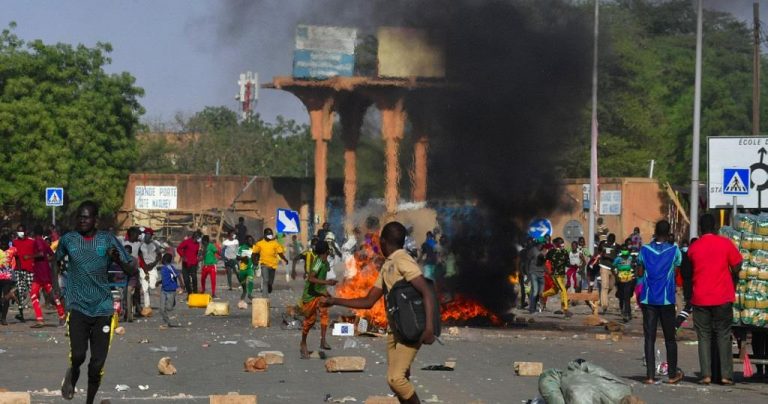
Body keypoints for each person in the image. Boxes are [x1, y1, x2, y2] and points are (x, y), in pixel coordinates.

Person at [321, 221, 435, 403]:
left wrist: (429, 327)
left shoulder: (402, 259)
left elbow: (426, 291)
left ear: (383, 241)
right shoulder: (388, 264)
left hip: (411, 328)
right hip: (395, 330)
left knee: (395, 379)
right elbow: (368, 301)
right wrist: (334, 300)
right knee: (398, 378)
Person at [57, 201, 135, 404]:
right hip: (77, 306)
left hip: (103, 308)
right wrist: (57, 291)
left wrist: (117, 260)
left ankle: (89, 401)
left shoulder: (107, 240)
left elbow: (131, 271)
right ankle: (72, 373)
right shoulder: (69, 240)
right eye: (79, 217)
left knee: (97, 364)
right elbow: (54, 261)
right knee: (79, 355)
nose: (82, 220)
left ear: (95, 220)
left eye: (86, 217)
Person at [686, 213, 742, 385]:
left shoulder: (694, 248)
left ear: (701, 229)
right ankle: (726, 375)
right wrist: (733, 276)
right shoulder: (725, 243)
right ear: (716, 227)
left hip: (701, 298)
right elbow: (738, 263)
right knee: (723, 335)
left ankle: (706, 375)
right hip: (723, 297)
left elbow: (688, 273)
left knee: (703, 336)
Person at [636, 220, 683, 385]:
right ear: (669, 232)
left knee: (649, 338)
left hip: (649, 299)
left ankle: (649, 375)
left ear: (655, 232)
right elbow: (676, 270)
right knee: (670, 338)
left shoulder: (644, 250)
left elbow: (640, 271)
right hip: (666, 299)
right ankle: (672, 374)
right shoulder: (674, 250)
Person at [300, 239, 337, 358]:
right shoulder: (318, 262)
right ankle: (303, 343)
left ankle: (323, 340)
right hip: (310, 295)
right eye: (327, 252)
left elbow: (321, 280)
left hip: (319, 293)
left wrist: (325, 292)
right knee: (310, 321)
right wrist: (327, 282)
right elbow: (311, 279)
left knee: (325, 313)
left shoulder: (325, 262)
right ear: (325, 251)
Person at [30, 225, 66, 328]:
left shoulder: (37, 241)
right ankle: (62, 315)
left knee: (33, 295)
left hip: (39, 275)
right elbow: (52, 255)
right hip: (45, 273)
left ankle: (40, 319)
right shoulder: (45, 242)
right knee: (53, 296)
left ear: (34, 233)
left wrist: (29, 256)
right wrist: (46, 262)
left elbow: (41, 253)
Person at [252, 228, 289, 298]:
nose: (270, 235)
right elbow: (254, 254)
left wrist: (285, 259)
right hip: (264, 264)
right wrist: (254, 262)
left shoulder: (275, 243)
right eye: (268, 234)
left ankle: (270, 286)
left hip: (273, 266)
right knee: (265, 280)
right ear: (265, 235)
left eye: (271, 234)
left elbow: (280, 253)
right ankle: (264, 298)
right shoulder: (259, 244)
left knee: (270, 282)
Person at [542, 237, 572, 317]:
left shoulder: (565, 252)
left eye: (563, 242)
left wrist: (575, 265)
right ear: (555, 244)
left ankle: (542, 295)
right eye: (560, 242)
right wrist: (547, 270)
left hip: (562, 275)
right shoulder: (551, 252)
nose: (562, 244)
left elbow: (568, 263)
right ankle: (565, 309)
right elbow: (543, 261)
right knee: (563, 289)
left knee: (555, 290)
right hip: (555, 274)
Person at [13, 224, 35, 322]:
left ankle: (38, 313)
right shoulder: (14, 242)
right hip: (19, 270)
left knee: (33, 291)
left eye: (21, 231)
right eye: (18, 231)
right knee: (20, 292)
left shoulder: (32, 242)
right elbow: (15, 256)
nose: (20, 233)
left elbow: (36, 253)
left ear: (26, 231)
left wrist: (31, 258)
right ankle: (20, 313)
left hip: (30, 270)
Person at [138, 228, 162, 313]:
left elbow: (159, 256)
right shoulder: (140, 245)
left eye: (149, 234)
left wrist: (154, 263)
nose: (147, 236)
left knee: (152, 286)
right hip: (143, 268)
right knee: (145, 288)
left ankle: (157, 283)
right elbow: (140, 256)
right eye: (146, 234)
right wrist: (144, 265)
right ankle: (147, 306)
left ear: (151, 236)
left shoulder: (155, 245)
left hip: (153, 267)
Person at [157, 253, 183, 328]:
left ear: (165, 260)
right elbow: (166, 279)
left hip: (171, 290)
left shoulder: (170, 268)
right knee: (161, 309)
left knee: (169, 308)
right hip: (163, 290)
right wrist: (159, 282)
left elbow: (178, 275)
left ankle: (173, 301)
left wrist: (182, 285)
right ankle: (166, 322)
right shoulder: (163, 268)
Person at [612, 247, 636, 323]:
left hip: (629, 278)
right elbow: (613, 267)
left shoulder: (630, 257)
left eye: (626, 249)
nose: (625, 251)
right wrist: (616, 276)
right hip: (620, 279)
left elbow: (634, 266)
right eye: (624, 249)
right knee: (621, 296)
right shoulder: (618, 259)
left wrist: (634, 274)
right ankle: (623, 310)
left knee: (627, 296)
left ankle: (627, 313)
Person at [0, 234, 20, 325]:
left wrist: (18, 271)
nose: (3, 246)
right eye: (2, 243)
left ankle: (3, 318)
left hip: (8, 278)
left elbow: (18, 259)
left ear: (8, 243)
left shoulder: (13, 250)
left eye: (5, 244)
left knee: (6, 298)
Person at [598, 233, 619, 314]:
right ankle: (604, 306)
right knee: (605, 287)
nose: (609, 242)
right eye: (608, 240)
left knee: (611, 286)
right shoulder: (604, 244)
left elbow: (618, 256)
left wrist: (611, 257)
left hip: (613, 268)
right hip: (604, 267)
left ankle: (602, 298)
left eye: (611, 240)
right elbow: (600, 252)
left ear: (614, 240)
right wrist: (603, 254)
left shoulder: (617, 246)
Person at [177, 231, 201, 295]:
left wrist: (197, 261)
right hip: (185, 263)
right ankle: (189, 293)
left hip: (193, 264)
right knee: (186, 279)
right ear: (195, 237)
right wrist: (183, 256)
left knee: (194, 278)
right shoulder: (187, 242)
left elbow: (196, 254)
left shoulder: (197, 244)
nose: (199, 239)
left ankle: (195, 293)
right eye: (199, 237)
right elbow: (179, 248)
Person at [527, 241, 547, 314]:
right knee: (535, 291)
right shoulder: (533, 250)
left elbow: (544, 264)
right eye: (540, 244)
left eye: (542, 244)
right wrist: (527, 271)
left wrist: (548, 272)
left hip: (541, 274)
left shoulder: (544, 251)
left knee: (540, 293)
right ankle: (532, 310)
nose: (541, 246)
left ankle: (536, 307)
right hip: (534, 273)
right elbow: (528, 261)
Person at [237, 235, 255, 303]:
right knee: (243, 284)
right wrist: (243, 258)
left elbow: (256, 257)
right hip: (242, 269)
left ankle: (249, 294)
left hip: (250, 268)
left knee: (250, 280)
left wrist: (256, 264)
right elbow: (237, 257)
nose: (251, 242)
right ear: (246, 241)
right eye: (249, 240)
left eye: (251, 240)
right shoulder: (241, 248)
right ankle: (244, 291)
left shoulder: (254, 248)